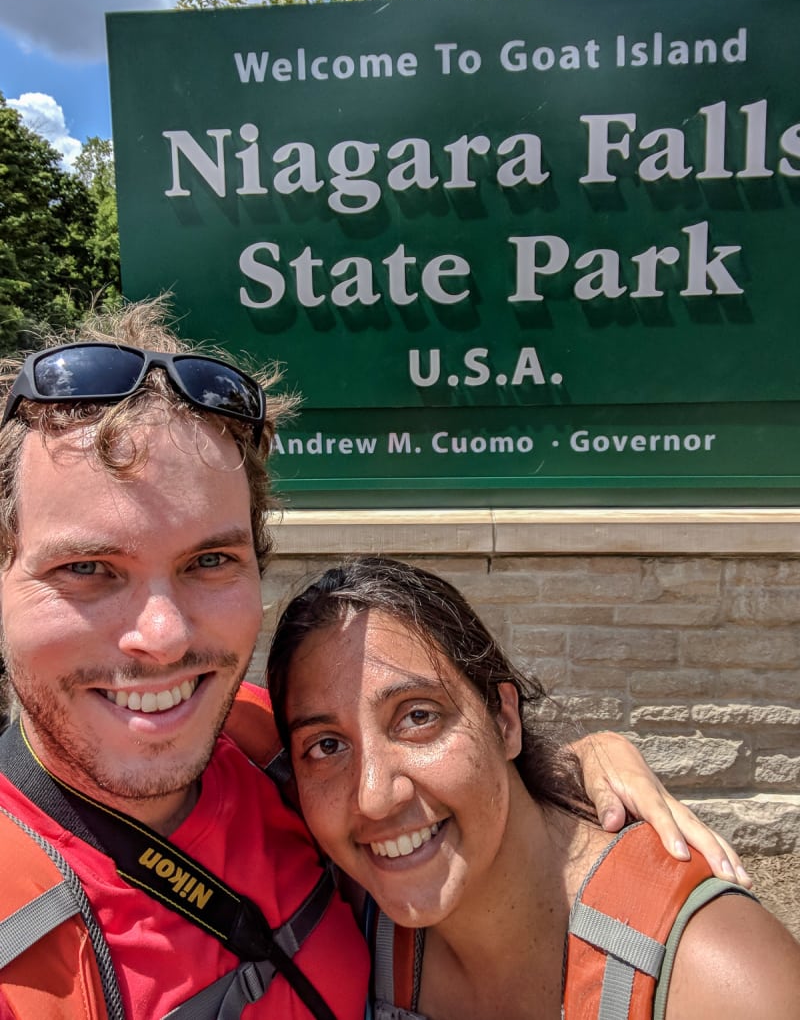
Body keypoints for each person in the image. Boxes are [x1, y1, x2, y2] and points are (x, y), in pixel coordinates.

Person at [0, 302, 748, 1019]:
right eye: (89, 568)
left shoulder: (261, 743)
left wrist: (585, 761)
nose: (161, 636)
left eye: (208, 560)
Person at [266, 556, 800, 1020]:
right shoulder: (345, 906)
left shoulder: (713, 976)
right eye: (327, 746)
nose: (375, 798)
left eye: (418, 716)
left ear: (505, 719)